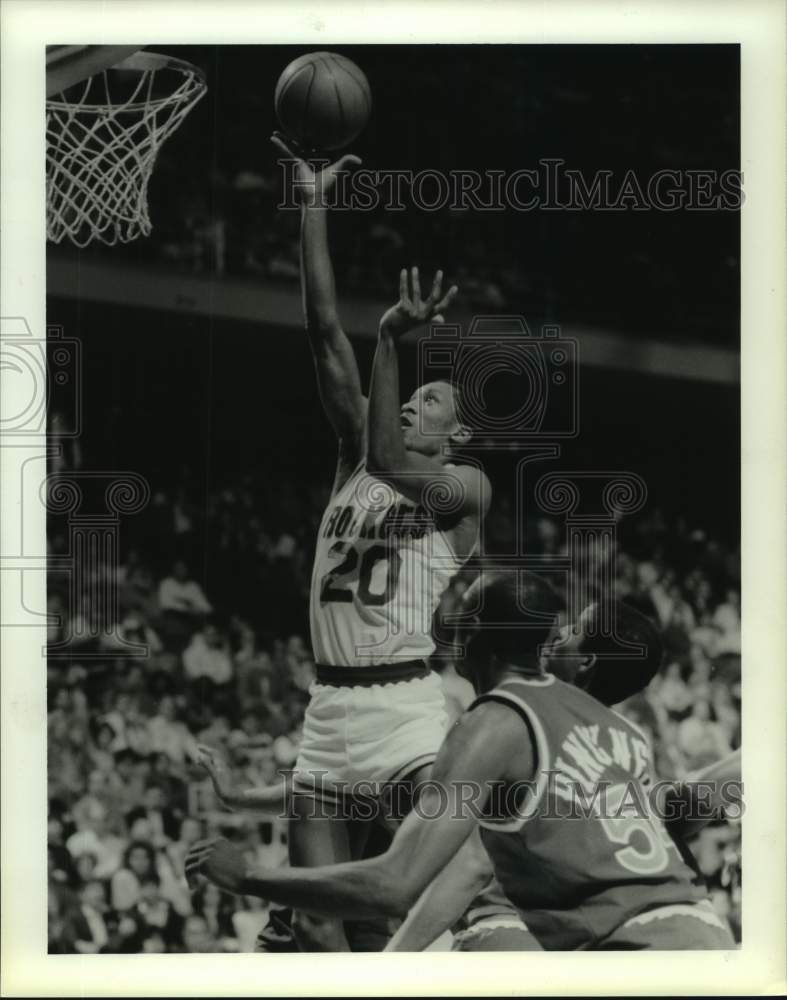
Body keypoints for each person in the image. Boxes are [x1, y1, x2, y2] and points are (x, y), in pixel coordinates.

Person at [187, 570, 735, 950]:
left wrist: (248, 876)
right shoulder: (623, 736)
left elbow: (409, 877)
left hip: (596, 944)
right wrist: (245, 797)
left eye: (568, 631)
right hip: (697, 932)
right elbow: (384, 789)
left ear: (475, 638)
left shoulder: (498, 725)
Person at [267, 133, 490, 951]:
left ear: (456, 432)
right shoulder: (354, 465)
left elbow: (392, 458)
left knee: (430, 910)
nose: (406, 407)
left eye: (427, 401)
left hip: (402, 711)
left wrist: (393, 340)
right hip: (327, 713)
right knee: (320, 938)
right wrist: (312, 199)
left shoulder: (464, 491)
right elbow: (326, 331)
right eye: (407, 397)